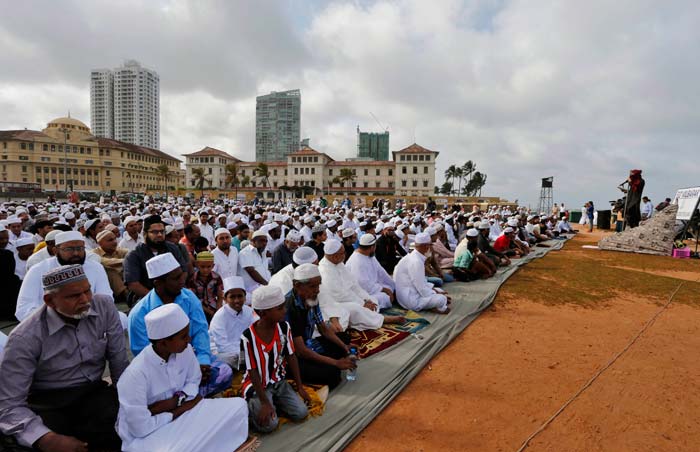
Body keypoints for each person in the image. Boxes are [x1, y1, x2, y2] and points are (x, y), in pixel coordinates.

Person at [0, 264, 128, 451]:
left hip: (94, 394)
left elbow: (119, 363)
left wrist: (130, 400)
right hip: (49, 403)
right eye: (74, 296)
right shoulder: (25, 337)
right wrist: (46, 439)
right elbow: (9, 404)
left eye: (87, 291)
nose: (85, 300)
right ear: (50, 301)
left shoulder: (104, 305)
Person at [117, 303, 249, 452]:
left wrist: (178, 399)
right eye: (183, 336)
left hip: (185, 411)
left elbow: (194, 380)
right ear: (163, 343)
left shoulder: (184, 350)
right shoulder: (134, 375)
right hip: (151, 433)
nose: (189, 339)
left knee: (238, 406)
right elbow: (140, 428)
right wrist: (177, 410)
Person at [128, 253, 233, 397]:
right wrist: (186, 372)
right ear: (158, 283)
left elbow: (200, 332)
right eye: (176, 278)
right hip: (161, 372)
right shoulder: (139, 314)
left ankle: (185, 397)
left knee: (224, 373)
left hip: (192, 358)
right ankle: (187, 397)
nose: (182, 281)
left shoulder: (188, 297)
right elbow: (143, 354)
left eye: (182, 275)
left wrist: (202, 362)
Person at [241, 285, 310, 433]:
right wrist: (264, 402)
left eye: (283, 307)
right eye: (279, 308)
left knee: (301, 413)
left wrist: (300, 387)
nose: (284, 311)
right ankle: (256, 406)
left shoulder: (284, 328)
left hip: (278, 381)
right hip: (258, 386)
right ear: (263, 313)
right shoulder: (247, 337)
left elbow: (291, 356)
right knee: (269, 425)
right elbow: (252, 371)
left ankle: (274, 403)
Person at [15, 231, 112, 322]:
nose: (76, 253)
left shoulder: (95, 267)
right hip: (50, 324)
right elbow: (24, 308)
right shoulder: (38, 270)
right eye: (69, 249)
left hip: (90, 319)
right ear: (55, 251)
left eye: (80, 248)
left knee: (121, 318)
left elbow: (106, 299)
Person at [286, 264, 355, 389]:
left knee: (344, 338)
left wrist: (344, 347)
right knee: (332, 375)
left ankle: (326, 361)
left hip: (309, 345)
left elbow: (323, 328)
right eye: (312, 286)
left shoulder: (311, 297)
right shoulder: (289, 308)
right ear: (297, 285)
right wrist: (336, 363)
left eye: (318, 285)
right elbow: (301, 351)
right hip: (294, 357)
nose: (317, 290)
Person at [318, 240, 404, 331]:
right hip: (336, 303)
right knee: (356, 308)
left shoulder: (339, 264)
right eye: (343, 253)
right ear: (335, 256)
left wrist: (366, 299)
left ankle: (372, 316)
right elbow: (340, 295)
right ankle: (382, 320)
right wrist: (362, 303)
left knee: (373, 300)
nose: (345, 255)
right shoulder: (325, 271)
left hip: (351, 297)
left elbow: (354, 285)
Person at [124, 215, 190, 302]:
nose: (159, 235)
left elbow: (184, 271)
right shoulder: (134, 255)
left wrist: (176, 288)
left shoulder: (172, 248)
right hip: (147, 298)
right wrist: (158, 300)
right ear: (145, 234)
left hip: (175, 293)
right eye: (155, 232)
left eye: (162, 231)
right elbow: (133, 284)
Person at [394, 232, 450, 314]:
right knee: (441, 299)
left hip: (409, 293)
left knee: (438, 290)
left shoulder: (413, 257)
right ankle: (435, 307)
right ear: (427, 246)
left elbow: (421, 281)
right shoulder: (416, 261)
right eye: (430, 245)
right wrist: (435, 294)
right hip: (411, 299)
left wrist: (434, 290)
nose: (431, 248)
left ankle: (432, 304)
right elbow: (421, 288)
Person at [208, 276, 255, 369]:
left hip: (245, 351)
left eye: (240, 296)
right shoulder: (220, 316)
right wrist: (243, 353)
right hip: (226, 354)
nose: (237, 300)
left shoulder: (249, 312)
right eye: (232, 297)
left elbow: (256, 333)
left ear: (245, 298)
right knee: (232, 358)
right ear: (225, 299)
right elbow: (222, 345)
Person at [346, 234, 396, 310]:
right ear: (372, 247)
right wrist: (384, 289)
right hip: (361, 293)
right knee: (383, 297)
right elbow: (364, 285)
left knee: (391, 287)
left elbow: (381, 272)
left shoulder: (369, 255)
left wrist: (392, 285)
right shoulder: (357, 261)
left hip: (373, 287)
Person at [92, 229, 130, 305]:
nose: (115, 242)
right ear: (100, 243)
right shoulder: (94, 254)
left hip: (125, 281)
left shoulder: (119, 251)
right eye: (110, 240)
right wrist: (124, 262)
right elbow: (103, 261)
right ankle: (127, 295)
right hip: (105, 288)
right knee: (110, 270)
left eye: (115, 239)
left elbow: (131, 256)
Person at [186, 251, 223, 322]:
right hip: (198, 309)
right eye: (202, 267)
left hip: (214, 307)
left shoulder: (216, 278)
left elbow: (220, 296)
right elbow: (193, 300)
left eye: (209, 267)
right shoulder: (192, 280)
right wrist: (210, 312)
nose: (205, 270)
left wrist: (218, 312)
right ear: (197, 265)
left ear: (213, 266)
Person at [238, 230, 271, 300]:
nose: (264, 243)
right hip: (250, 292)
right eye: (261, 240)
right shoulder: (245, 253)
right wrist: (267, 284)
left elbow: (265, 270)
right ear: (253, 241)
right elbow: (251, 271)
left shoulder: (263, 252)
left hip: (263, 289)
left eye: (266, 241)